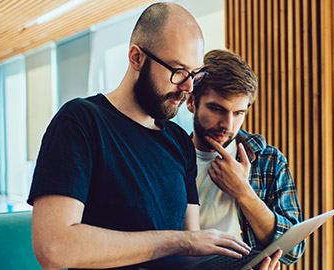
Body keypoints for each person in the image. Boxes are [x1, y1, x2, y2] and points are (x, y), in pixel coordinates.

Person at [26, 3, 274, 270]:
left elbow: (190, 252)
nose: (189, 87)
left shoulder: (179, 141)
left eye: (194, 74)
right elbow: (54, 248)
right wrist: (179, 242)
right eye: (178, 71)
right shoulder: (80, 121)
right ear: (136, 58)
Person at [186, 49, 306, 265]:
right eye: (216, 109)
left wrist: (243, 192)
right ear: (191, 102)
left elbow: (293, 251)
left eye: (238, 113)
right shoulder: (167, 159)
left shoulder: (268, 160)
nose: (227, 125)